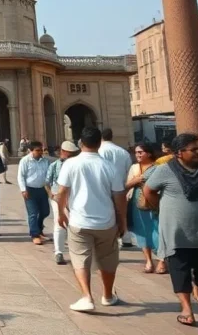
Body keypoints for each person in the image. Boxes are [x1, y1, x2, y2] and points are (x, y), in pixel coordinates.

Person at [143, 133, 198, 327]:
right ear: (179, 153)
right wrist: (163, 209)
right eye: (193, 149)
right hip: (176, 234)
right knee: (179, 271)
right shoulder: (164, 171)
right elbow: (148, 190)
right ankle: (186, 308)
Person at [56, 126, 126, 312]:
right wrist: (123, 221)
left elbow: (62, 192)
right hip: (106, 222)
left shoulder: (70, 164)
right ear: (99, 143)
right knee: (108, 259)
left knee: (80, 259)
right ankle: (108, 296)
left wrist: (61, 212)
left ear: (80, 143)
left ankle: (87, 297)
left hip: (79, 221)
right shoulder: (109, 166)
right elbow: (119, 197)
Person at [125, 142, 161, 274]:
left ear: (149, 153)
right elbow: (126, 185)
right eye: (136, 152)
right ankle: (149, 261)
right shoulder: (134, 168)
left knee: (157, 231)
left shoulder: (158, 168)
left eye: (140, 152)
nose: (138, 155)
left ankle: (162, 260)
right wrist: (134, 181)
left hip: (154, 203)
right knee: (142, 232)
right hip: (137, 202)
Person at [45, 140, 80, 265]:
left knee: (75, 224)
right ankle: (59, 252)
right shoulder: (54, 165)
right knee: (59, 223)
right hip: (58, 198)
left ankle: (76, 251)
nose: (71, 156)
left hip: (74, 198)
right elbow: (47, 181)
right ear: (63, 152)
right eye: (69, 153)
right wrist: (51, 194)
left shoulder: (77, 164)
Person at [99, 127, 134, 248]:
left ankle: (115, 239)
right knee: (121, 212)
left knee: (109, 213)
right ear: (111, 136)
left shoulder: (100, 151)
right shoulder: (123, 152)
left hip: (106, 187)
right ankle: (126, 238)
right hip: (122, 186)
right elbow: (129, 170)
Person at [17, 140, 51, 245]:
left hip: (42, 189)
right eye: (37, 150)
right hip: (30, 190)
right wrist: (23, 190)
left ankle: (39, 229)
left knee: (45, 211)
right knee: (33, 213)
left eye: (41, 150)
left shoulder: (45, 161)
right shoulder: (25, 161)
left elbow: (48, 175)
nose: (40, 152)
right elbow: (21, 176)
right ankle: (34, 234)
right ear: (31, 151)